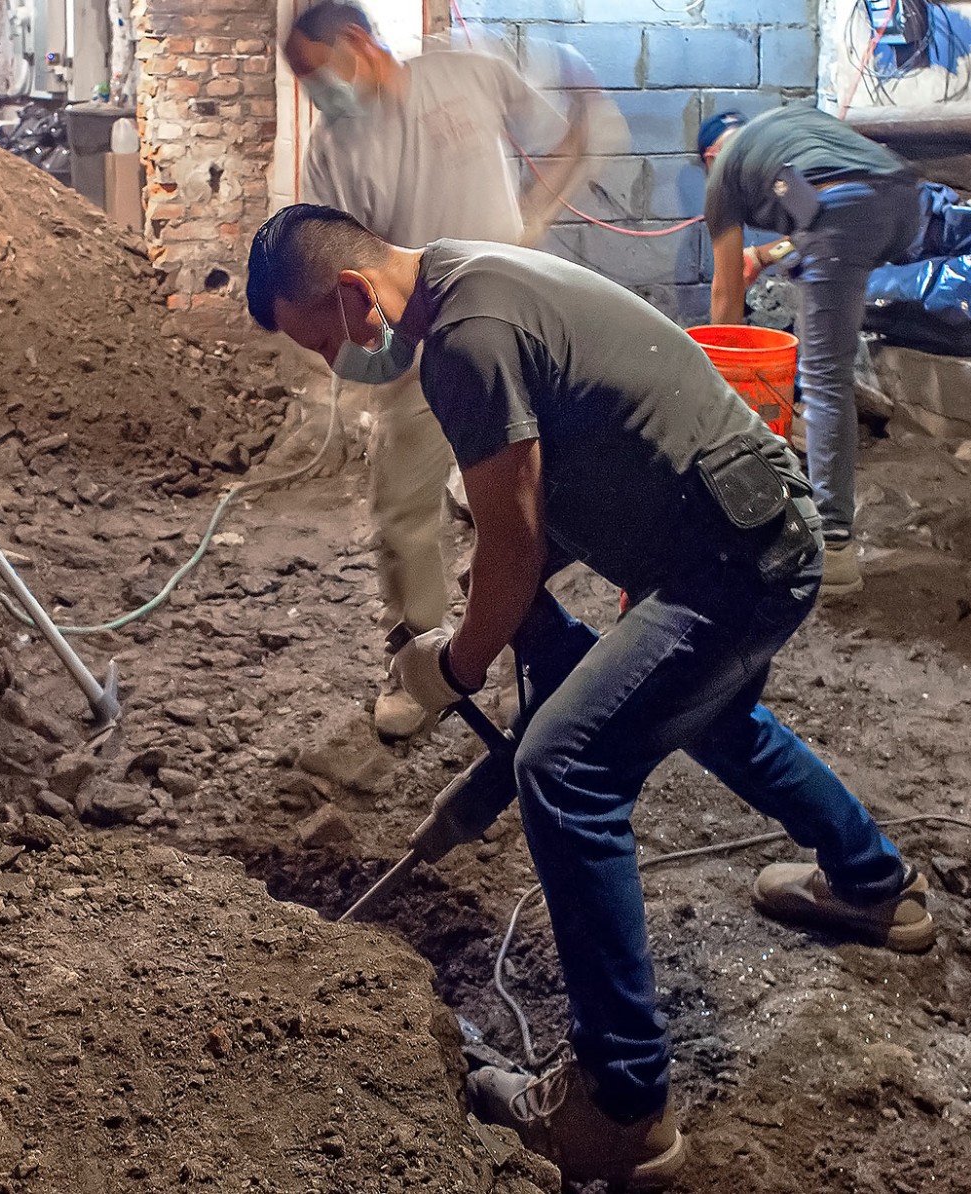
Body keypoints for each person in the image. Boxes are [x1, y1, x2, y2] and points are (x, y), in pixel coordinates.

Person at [245, 204, 935, 1189]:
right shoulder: (469, 274)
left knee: (564, 767)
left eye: (327, 339)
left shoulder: (464, 342)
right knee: (709, 715)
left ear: (353, 294)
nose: (336, 362)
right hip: (752, 533)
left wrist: (455, 664)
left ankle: (621, 1105)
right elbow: (551, 508)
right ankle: (873, 886)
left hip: (731, 562)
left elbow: (517, 545)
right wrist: (504, 626)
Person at [284, 0, 591, 739]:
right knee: (404, 511)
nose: (316, 95)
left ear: (357, 42)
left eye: (316, 74)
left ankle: (536, 665)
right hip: (417, 342)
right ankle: (421, 667)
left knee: (525, 505)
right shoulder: (332, 149)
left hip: (516, 322)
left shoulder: (463, 74)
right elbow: (342, 266)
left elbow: (574, 130)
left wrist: (531, 221)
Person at [702, 105, 923, 596]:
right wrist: (767, 255)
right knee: (821, 269)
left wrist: (724, 381)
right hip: (906, 200)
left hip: (844, 211)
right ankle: (820, 474)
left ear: (712, 155)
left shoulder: (724, 174)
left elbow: (725, 292)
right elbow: (814, 206)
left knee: (824, 379)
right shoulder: (785, 127)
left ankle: (834, 548)